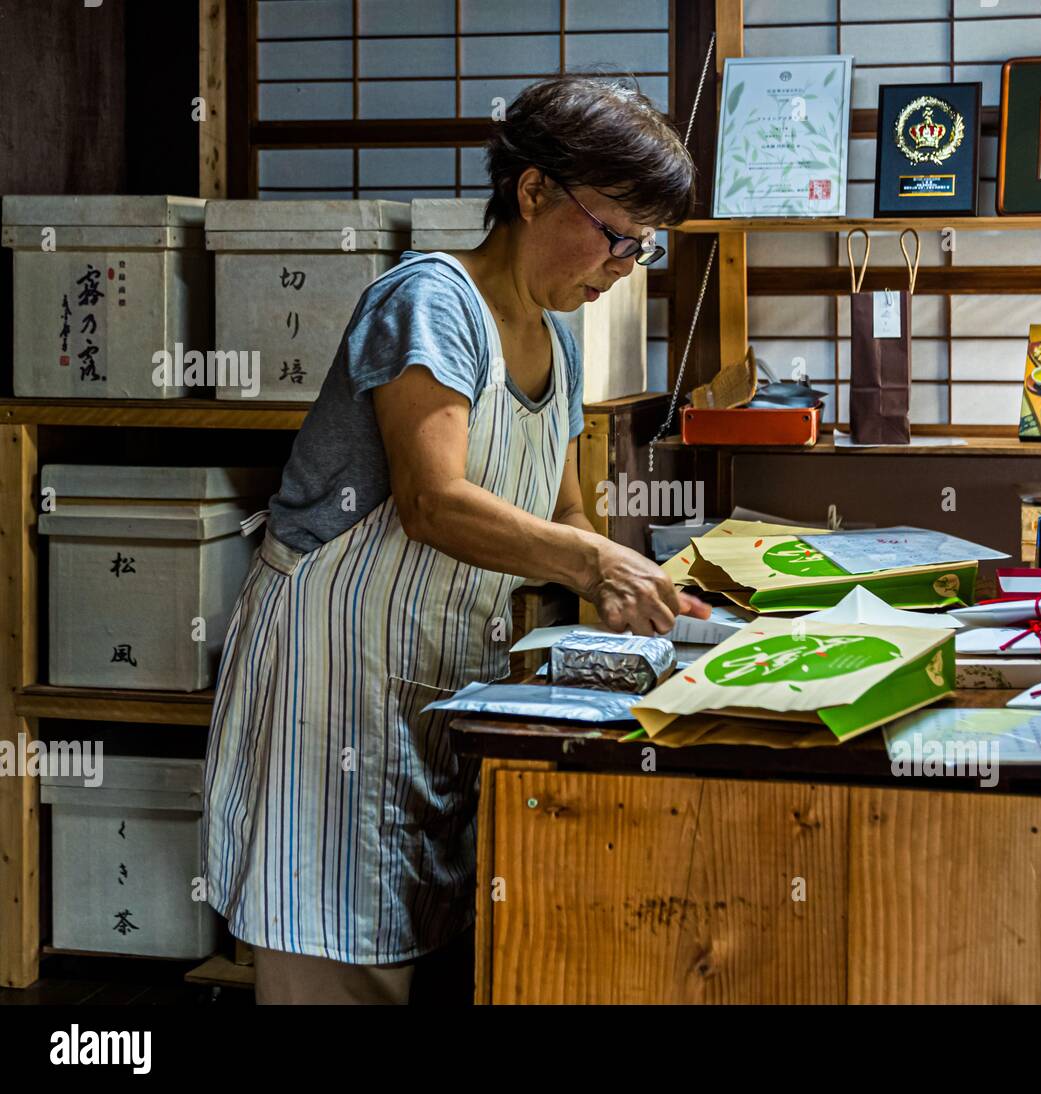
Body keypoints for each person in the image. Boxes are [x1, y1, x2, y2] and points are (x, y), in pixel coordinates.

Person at [201, 74, 708, 1004]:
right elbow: (434, 500)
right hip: (334, 671)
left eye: (647, 245)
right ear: (532, 191)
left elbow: (565, 520)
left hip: (436, 671)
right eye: (618, 234)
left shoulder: (558, 342)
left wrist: (631, 600)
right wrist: (598, 564)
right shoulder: (431, 301)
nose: (628, 265)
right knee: (334, 951)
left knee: (409, 938)